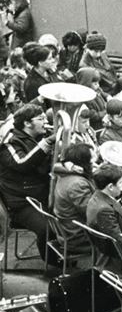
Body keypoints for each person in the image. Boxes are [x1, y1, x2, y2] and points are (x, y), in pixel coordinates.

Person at [0, 104, 56, 262]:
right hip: (22, 203)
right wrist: (46, 144)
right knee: (48, 228)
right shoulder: (9, 143)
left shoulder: (36, 137)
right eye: (41, 119)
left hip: (40, 194)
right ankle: (53, 261)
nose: (46, 121)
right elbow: (21, 163)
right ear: (27, 123)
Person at [51, 142, 96, 255]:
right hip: (80, 238)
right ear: (83, 163)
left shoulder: (66, 174)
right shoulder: (77, 184)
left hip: (71, 231)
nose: (94, 162)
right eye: (92, 159)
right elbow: (92, 213)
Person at [85, 163, 122, 238]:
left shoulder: (98, 194)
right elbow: (118, 239)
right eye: (120, 182)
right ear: (110, 187)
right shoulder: (104, 210)